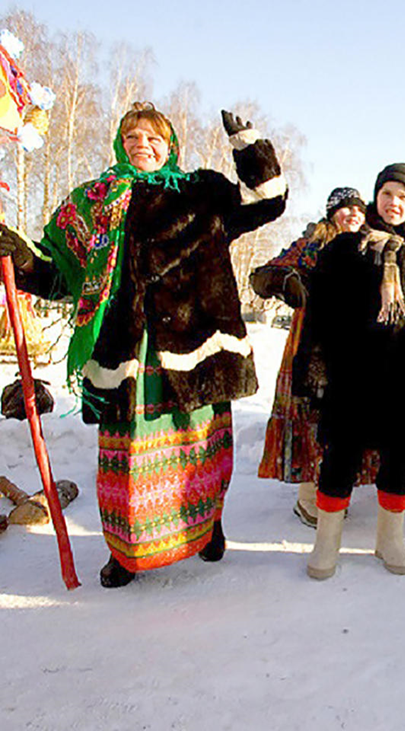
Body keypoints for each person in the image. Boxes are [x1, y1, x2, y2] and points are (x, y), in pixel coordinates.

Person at [0, 102, 286, 587]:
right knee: (129, 460)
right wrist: (25, 259)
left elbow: (268, 202)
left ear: (169, 144)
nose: (141, 144)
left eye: (152, 137)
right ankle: (127, 552)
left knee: (200, 448)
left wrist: (250, 149)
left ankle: (206, 529)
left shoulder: (202, 192)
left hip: (198, 345)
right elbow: (60, 277)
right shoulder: (93, 203)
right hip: (127, 352)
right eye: (132, 136)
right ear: (120, 144)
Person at [295, 161, 405, 578]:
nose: (394, 203)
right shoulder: (344, 249)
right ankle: (326, 543)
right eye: (387, 194)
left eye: (403, 196)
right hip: (352, 374)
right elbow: (319, 315)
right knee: (339, 458)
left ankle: (389, 541)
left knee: (397, 461)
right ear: (376, 198)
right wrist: (313, 368)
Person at [251, 186, 379, 526]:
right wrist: (287, 280)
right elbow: (264, 275)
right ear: (331, 213)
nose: (353, 214)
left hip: (353, 345)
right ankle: (308, 497)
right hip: (311, 341)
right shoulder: (313, 245)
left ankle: (335, 490)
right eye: (345, 209)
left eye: (358, 209)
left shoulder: (371, 247)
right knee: (309, 416)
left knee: (344, 420)